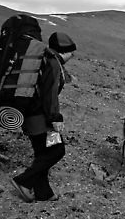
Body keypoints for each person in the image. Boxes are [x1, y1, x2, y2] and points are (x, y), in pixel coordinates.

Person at [10, 32, 76, 202]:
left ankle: (44, 193)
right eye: (71, 52)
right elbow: (50, 94)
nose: (73, 55)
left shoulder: (43, 60)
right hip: (42, 118)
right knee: (57, 151)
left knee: (42, 154)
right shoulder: (53, 64)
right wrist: (55, 117)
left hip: (30, 116)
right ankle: (23, 181)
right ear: (63, 51)